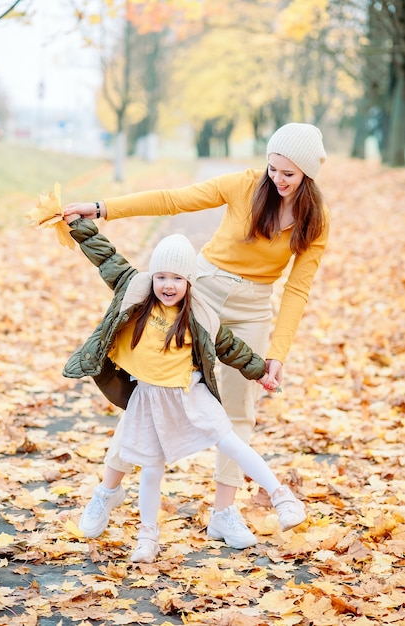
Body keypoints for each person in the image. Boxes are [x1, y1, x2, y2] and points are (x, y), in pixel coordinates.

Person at [64, 122, 329, 549]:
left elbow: (298, 288)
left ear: (308, 175)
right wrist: (102, 207)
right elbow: (174, 199)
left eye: (288, 174)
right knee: (151, 393)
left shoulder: (316, 220)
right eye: (272, 168)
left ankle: (224, 513)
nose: (276, 179)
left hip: (253, 309)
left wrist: (277, 352)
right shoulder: (243, 186)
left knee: (240, 410)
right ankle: (107, 491)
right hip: (199, 293)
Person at [62, 218, 306, 563]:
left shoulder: (200, 315)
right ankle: (147, 536)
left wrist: (260, 372)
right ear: (152, 276)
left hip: (189, 393)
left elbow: (230, 348)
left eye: (177, 278)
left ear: (189, 281)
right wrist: (79, 226)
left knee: (231, 440)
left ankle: (282, 497)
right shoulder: (135, 290)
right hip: (148, 397)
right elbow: (106, 256)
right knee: (150, 467)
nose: (168, 285)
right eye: (161, 276)